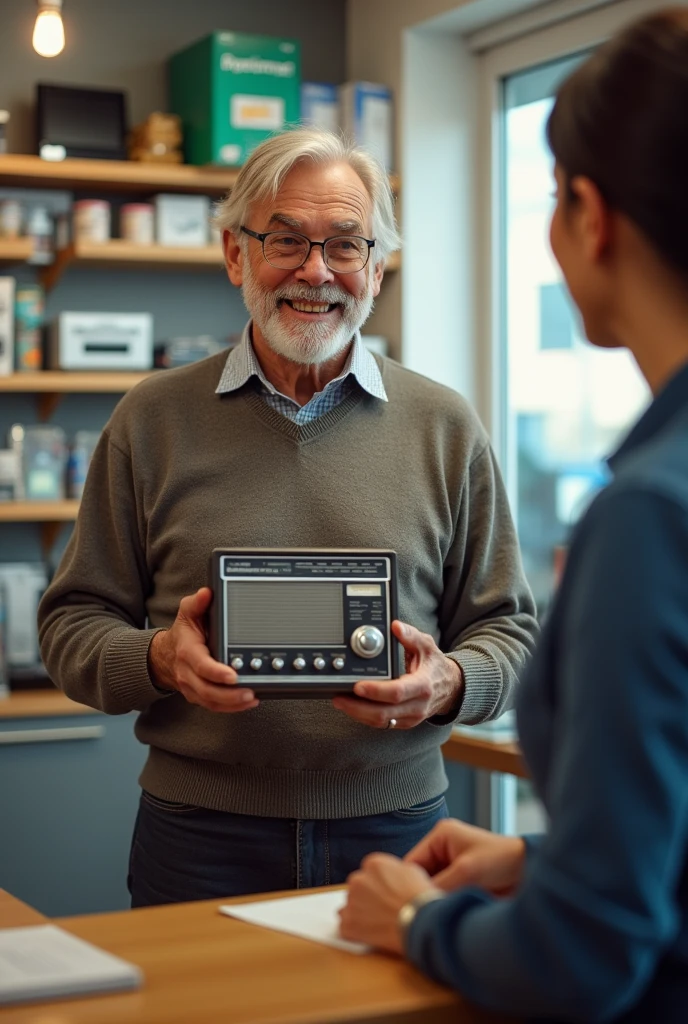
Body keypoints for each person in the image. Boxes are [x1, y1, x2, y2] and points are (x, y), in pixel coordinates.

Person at [38, 127, 537, 908]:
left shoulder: (445, 426)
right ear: (237, 255)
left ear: (375, 270)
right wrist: (162, 661)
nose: (316, 271)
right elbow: (71, 623)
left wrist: (449, 682)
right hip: (198, 835)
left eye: (345, 245)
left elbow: (510, 631)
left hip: (400, 828)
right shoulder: (151, 419)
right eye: (285, 239)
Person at [339, 9, 688, 1023]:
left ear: (590, 213)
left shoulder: (649, 516)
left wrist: (415, 922)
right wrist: (544, 857)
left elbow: (585, 955)